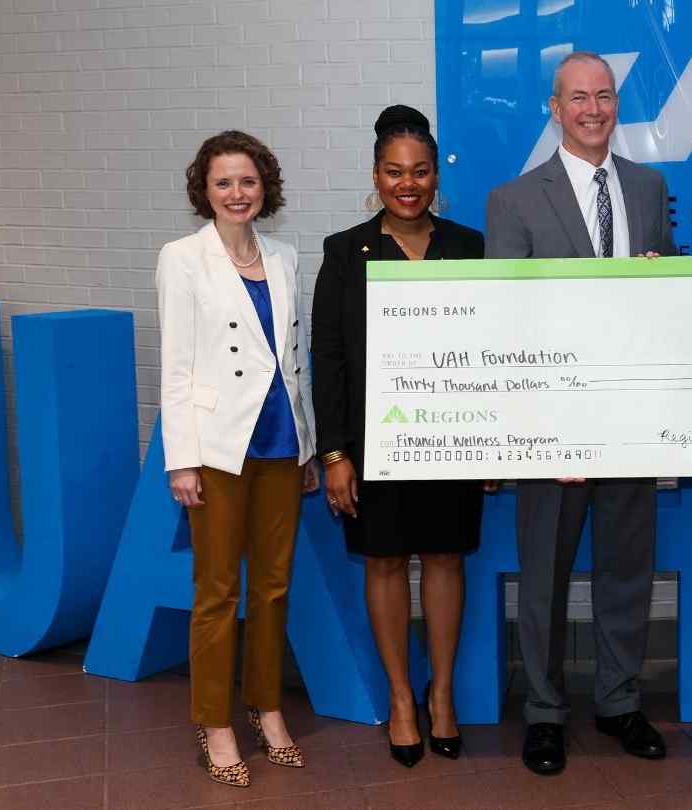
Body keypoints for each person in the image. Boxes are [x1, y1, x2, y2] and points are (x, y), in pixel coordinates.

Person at [484, 51, 692, 777]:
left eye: (604, 96)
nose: (593, 109)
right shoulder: (513, 200)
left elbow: (663, 293)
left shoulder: (648, 187)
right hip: (551, 427)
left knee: (626, 570)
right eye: (578, 97)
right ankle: (544, 713)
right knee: (541, 572)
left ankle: (618, 701)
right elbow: (507, 320)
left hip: (631, 421)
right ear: (554, 107)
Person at [311, 105, 487, 768]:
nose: (407, 184)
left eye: (419, 172)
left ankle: (441, 696)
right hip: (374, 445)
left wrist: (493, 441)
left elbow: (491, 344)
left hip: (453, 439)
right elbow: (326, 357)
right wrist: (335, 455)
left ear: (436, 175)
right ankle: (401, 701)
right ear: (376, 175)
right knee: (385, 563)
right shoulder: (344, 250)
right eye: (394, 172)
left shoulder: (469, 245)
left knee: (445, 558)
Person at [157, 130, 318, 788]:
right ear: (205, 190)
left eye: (247, 181)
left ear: (265, 186)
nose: (236, 192)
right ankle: (215, 720)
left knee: (274, 586)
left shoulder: (284, 255)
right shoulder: (183, 258)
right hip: (218, 448)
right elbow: (175, 365)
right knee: (218, 591)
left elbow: (293, 363)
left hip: (282, 440)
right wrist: (181, 460)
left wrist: (308, 442)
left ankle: (267, 707)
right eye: (223, 182)